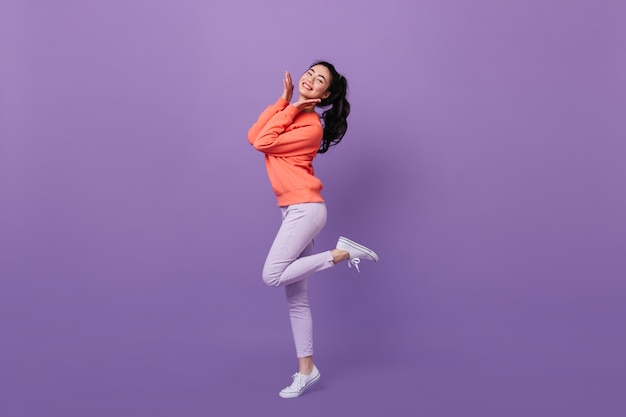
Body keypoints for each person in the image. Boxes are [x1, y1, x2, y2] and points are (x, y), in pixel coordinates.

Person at [247, 61, 379, 398]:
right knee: (297, 299)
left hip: (306, 210)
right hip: (294, 209)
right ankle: (307, 370)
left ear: (326, 94)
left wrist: (290, 109)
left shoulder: (311, 127)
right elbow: (253, 135)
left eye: (319, 80)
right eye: (310, 73)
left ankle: (342, 252)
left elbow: (263, 142)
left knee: (272, 275)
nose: (310, 79)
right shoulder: (293, 114)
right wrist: (283, 102)